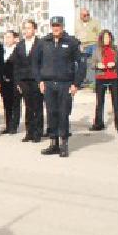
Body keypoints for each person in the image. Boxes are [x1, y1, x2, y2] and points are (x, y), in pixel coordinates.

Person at [34, 16, 85, 158]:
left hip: (65, 84)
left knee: (63, 114)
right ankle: (53, 143)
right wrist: (40, 81)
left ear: (63, 26)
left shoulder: (72, 42)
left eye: (58, 25)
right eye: (54, 25)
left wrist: (76, 84)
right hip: (48, 84)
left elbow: (81, 64)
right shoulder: (43, 42)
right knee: (51, 113)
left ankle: (64, 143)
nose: (56, 28)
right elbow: (35, 63)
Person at [12, 21, 45, 143]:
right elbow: (16, 65)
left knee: (37, 107)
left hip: (36, 80)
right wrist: (17, 83)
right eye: (25, 28)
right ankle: (29, 132)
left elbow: (43, 64)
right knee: (28, 107)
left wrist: (42, 80)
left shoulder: (40, 44)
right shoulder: (20, 45)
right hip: (24, 80)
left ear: (34, 30)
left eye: (29, 28)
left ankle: (38, 132)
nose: (26, 31)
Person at [89, 29, 118, 134]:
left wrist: (114, 64)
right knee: (99, 102)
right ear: (101, 39)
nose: (106, 39)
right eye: (105, 37)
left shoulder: (115, 50)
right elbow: (92, 64)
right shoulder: (97, 50)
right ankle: (98, 123)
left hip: (113, 77)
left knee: (116, 102)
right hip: (101, 77)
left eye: (108, 37)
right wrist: (97, 65)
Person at [0, 31, 22, 135]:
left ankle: (14, 125)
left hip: (14, 81)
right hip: (4, 81)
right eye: (5, 38)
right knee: (6, 103)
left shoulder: (18, 50)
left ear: (14, 39)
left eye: (9, 37)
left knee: (15, 104)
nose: (6, 39)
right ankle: (8, 125)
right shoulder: (2, 50)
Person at [75, 7, 102, 86]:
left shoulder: (95, 22)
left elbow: (100, 34)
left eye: (88, 15)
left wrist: (98, 44)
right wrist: (79, 45)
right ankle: (83, 80)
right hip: (82, 45)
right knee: (82, 62)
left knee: (93, 62)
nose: (86, 16)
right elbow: (76, 35)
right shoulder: (77, 23)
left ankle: (93, 82)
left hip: (93, 44)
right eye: (84, 15)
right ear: (80, 15)